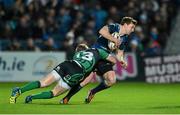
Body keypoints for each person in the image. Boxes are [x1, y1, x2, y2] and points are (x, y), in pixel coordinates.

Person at [60, 16, 137, 104]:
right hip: (96, 53)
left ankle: (92, 92)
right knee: (85, 80)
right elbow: (102, 31)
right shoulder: (115, 27)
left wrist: (122, 60)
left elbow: (119, 53)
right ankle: (66, 98)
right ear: (125, 24)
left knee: (111, 80)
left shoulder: (125, 38)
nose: (133, 30)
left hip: (105, 58)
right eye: (132, 27)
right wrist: (114, 39)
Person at [9, 44, 116, 104]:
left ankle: (19, 90)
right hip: (76, 71)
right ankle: (32, 97)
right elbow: (113, 61)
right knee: (54, 92)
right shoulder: (99, 51)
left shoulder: (79, 53)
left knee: (43, 83)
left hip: (67, 63)